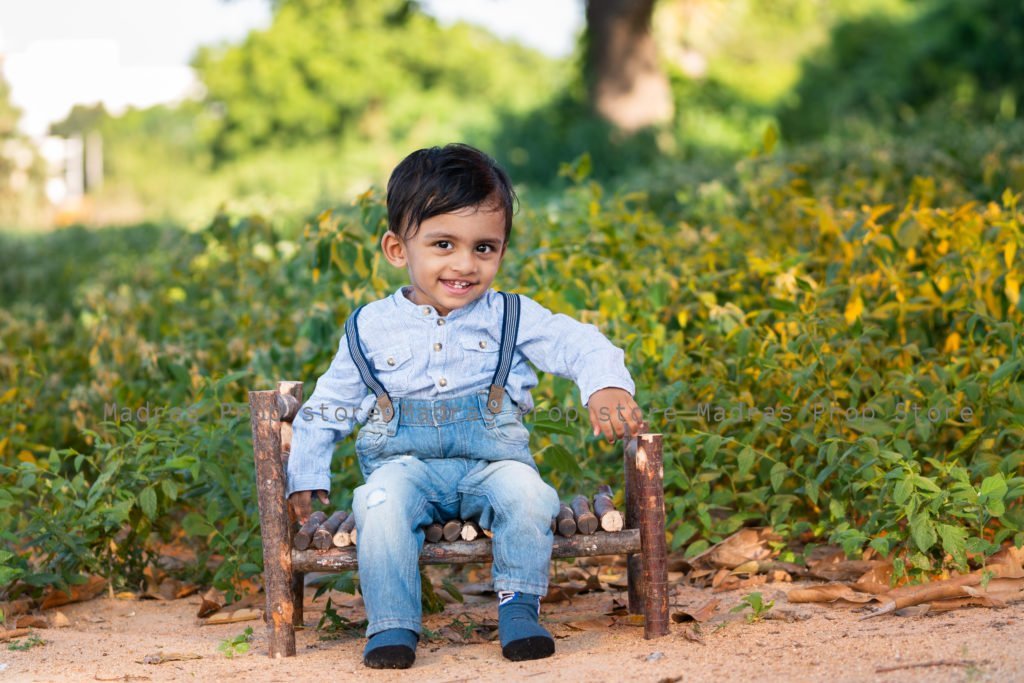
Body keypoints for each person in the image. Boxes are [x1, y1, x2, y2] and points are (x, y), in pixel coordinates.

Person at [286, 143, 644, 669]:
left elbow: (579, 343)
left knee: (529, 496)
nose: (464, 265)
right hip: (402, 469)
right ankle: (392, 625)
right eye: (443, 244)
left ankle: (519, 607)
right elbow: (330, 404)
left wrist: (605, 385)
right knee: (377, 505)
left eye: (484, 248)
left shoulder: (512, 317)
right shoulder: (369, 327)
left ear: (502, 250)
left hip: (493, 466)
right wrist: (306, 471)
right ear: (396, 248)